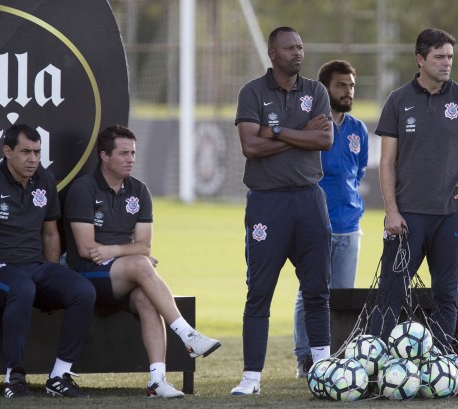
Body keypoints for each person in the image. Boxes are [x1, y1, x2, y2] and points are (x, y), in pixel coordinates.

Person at [371, 28, 458, 347]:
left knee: (446, 295)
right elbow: (386, 163)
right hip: (407, 217)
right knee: (390, 295)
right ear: (420, 60)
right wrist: (391, 212)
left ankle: (438, 367)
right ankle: (374, 366)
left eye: (450, 56)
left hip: (452, 216)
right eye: (439, 57)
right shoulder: (398, 100)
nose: (447, 62)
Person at [63, 124, 221, 399]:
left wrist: (114, 249)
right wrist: (132, 254)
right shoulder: (84, 189)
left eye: (133, 153)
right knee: (140, 265)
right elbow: (87, 249)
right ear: (104, 156)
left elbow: (145, 245)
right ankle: (188, 336)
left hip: (122, 272)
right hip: (85, 275)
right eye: (123, 153)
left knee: (148, 297)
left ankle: (157, 381)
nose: (131, 159)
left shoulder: (139, 191)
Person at [0, 124, 97, 399]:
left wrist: (52, 275)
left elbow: (51, 233)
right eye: (26, 152)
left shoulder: (45, 180)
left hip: (35, 267)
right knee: (22, 287)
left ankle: (59, 376)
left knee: (83, 290)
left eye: (37, 152)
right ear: (7, 151)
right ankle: (14, 379)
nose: (33, 159)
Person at [231, 26, 334, 396]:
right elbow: (249, 146)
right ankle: (251, 377)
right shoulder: (253, 92)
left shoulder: (316, 91)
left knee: (317, 290)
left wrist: (275, 132)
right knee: (259, 290)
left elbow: (323, 139)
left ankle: (322, 370)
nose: (298, 52)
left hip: (309, 199)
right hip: (267, 202)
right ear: (272, 53)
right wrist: (297, 132)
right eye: (289, 47)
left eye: (301, 46)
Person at [292, 60, 369, 378]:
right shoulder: (309, 125)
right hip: (315, 225)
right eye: (340, 85)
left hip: (350, 228)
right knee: (310, 293)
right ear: (325, 89)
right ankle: (304, 358)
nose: (347, 91)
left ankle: (335, 358)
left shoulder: (358, 130)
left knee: (341, 298)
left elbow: (359, 172)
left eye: (351, 85)